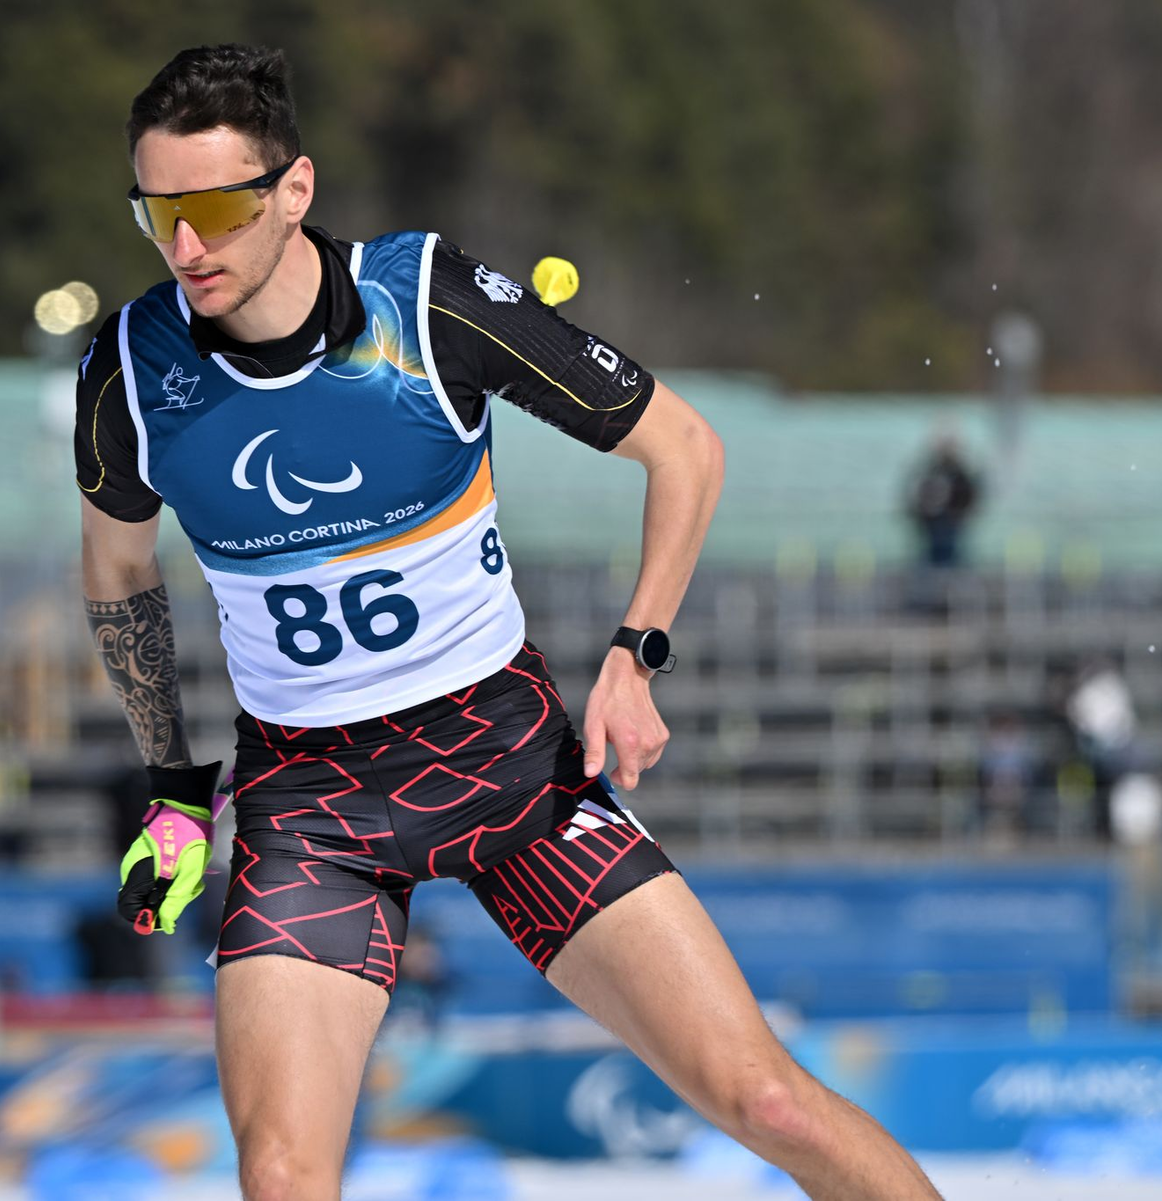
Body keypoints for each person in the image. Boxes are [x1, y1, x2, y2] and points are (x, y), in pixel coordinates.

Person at [76, 43, 942, 1201]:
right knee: (282, 1176)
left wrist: (638, 653)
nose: (188, 247)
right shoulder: (135, 369)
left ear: (294, 190)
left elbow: (683, 447)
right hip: (310, 809)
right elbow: (119, 569)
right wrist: (173, 783)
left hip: (513, 768)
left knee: (765, 1098)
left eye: (220, 207)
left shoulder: (424, 302)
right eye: (160, 213)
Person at [904, 433, 981, 569]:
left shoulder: (960, 473)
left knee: (953, 562)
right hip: (931, 530)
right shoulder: (929, 470)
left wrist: (958, 515)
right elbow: (915, 496)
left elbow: (970, 495)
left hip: (952, 529)